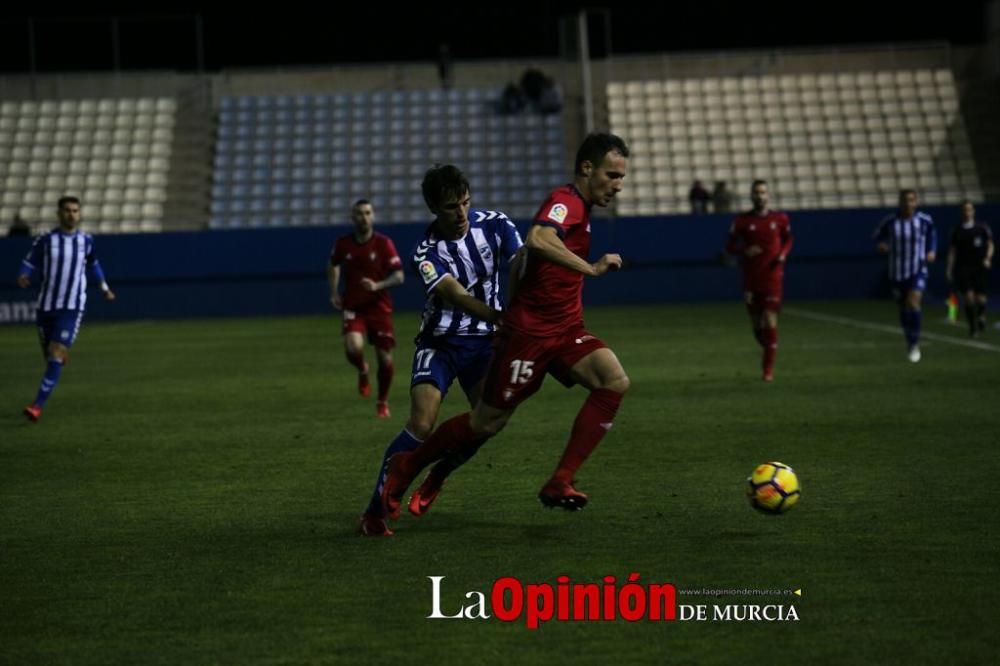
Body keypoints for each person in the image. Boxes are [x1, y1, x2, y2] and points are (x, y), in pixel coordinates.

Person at [380, 133, 631, 524]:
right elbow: (540, 237)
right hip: (527, 335)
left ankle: (560, 481)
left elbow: (520, 260)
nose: (618, 184)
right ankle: (407, 468)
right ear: (587, 168)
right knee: (485, 422)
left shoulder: (570, 209)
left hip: (563, 329)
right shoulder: (566, 202)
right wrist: (592, 268)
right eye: (612, 175)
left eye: (621, 177)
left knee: (613, 380)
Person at [358, 165, 524, 536]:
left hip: (484, 346)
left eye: (465, 202)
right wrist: (502, 317)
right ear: (434, 207)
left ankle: (438, 474)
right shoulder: (426, 253)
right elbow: (457, 296)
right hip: (441, 344)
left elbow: (523, 264)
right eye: (451, 207)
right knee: (421, 422)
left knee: (492, 421)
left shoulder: (496, 225)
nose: (462, 213)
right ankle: (374, 511)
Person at [17, 196, 116, 422]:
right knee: (50, 357)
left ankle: (37, 406)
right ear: (59, 214)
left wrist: (104, 288)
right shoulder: (46, 240)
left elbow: (94, 265)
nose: (72, 214)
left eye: (75, 211)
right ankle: (58, 357)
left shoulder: (86, 241)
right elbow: (29, 261)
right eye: (67, 210)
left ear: (79, 214)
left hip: (71, 307)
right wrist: (24, 275)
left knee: (55, 354)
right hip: (46, 307)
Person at [328, 200, 404, 418]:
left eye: (368, 212)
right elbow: (332, 264)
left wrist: (377, 285)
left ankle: (382, 401)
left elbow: (399, 275)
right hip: (353, 305)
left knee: (385, 359)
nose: (364, 217)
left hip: (379, 307)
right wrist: (334, 291)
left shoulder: (384, 244)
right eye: (359, 213)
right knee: (352, 347)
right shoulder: (343, 244)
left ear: (373, 216)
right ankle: (363, 369)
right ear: (352, 217)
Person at [725, 180, 792, 383]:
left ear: (768, 195)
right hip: (752, 279)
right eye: (757, 192)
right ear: (752, 196)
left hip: (773, 277)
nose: (760, 196)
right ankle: (770, 346)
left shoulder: (780, 218)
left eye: (763, 192)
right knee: (757, 326)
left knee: (769, 320)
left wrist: (783, 254)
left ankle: (767, 371)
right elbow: (729, 247)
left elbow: (789, 239)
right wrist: (743, 251)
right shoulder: (742, 221)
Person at [874, 189, 937, 362]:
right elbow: (878, 237)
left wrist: (931, 250)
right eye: (905, 200)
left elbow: (932, 236)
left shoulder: (924, 221)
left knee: (913, 300)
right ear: (900, 202)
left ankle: (915, 342)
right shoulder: (890, 222)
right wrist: (882, 245)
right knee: (903, 308)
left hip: (918, 269)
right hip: (897, 272)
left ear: (916, 202)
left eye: (911, 200)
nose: (908, 203)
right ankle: (910, 340)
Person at [945, 200, 993, 338]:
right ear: (962, 212)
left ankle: (981, 316)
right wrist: (949, 268)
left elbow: (990, 244)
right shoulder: (957, 230)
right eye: (965, 210)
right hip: (963, 267)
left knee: (981, 299)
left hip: (979, 266)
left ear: (973, 211)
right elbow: (952, 251)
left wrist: (987, 258)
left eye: (969, 209)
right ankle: (973, 328)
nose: (967, 212)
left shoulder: (982, 227)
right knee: (968, 298)